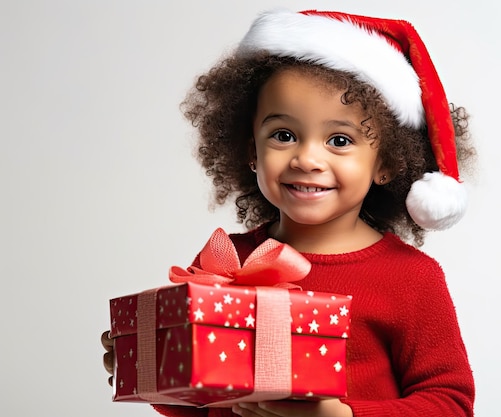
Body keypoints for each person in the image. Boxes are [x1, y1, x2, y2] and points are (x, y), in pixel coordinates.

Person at [102, 8, 476, 417]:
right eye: (284, 135)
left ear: (386, 162)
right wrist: (151, 372)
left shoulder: (411, 278)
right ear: (251, 151)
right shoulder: (225, 261)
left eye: (339, 139)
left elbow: (450, 403)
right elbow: (200, 404)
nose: (307, 158)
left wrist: (345, 416)